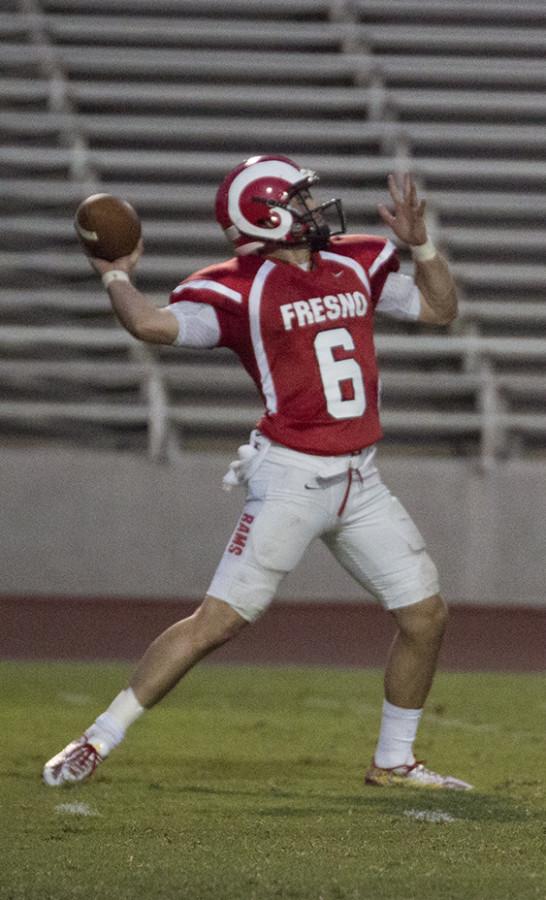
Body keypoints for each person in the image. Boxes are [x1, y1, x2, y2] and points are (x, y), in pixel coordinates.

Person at [43, 155, 472, 790]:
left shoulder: (355, 260)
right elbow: (151, 324)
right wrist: (115, 277)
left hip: (361, 478)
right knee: (216, 623)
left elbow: (440, 310)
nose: (312, 209)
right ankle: (96, 739)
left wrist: (424, 247)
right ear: (265, 215)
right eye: (297, 200)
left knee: (425, 616)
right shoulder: (239, 288)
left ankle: (394, 761)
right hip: (292, 476)